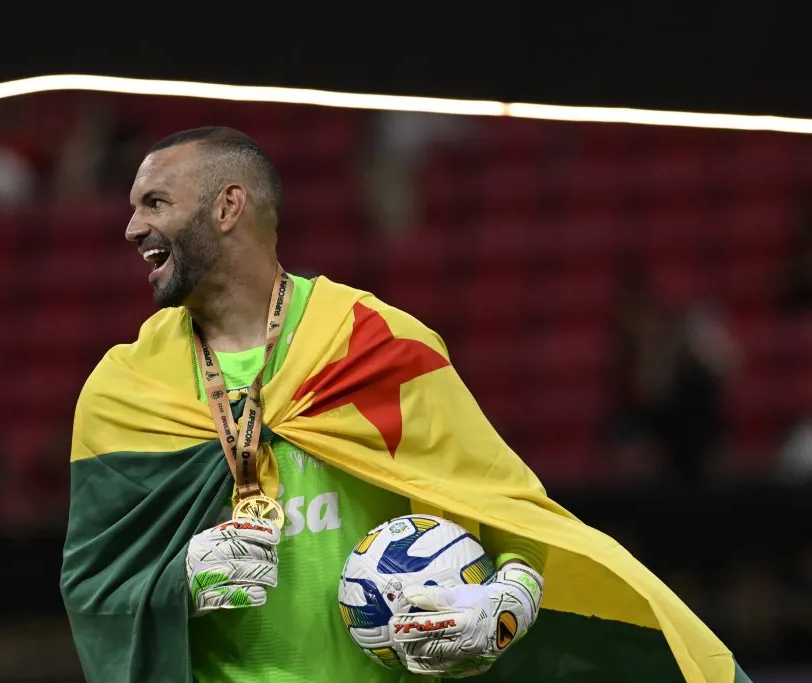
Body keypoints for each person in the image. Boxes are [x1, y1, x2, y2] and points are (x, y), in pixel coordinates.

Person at [60, 127, 748, 683]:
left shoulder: (375, 343)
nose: (130, 227)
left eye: (154, 202)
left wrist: (507, 601)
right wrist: (180, 579)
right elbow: (95, 588)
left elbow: (508, 513)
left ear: (228, 206)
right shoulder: (126, 394)